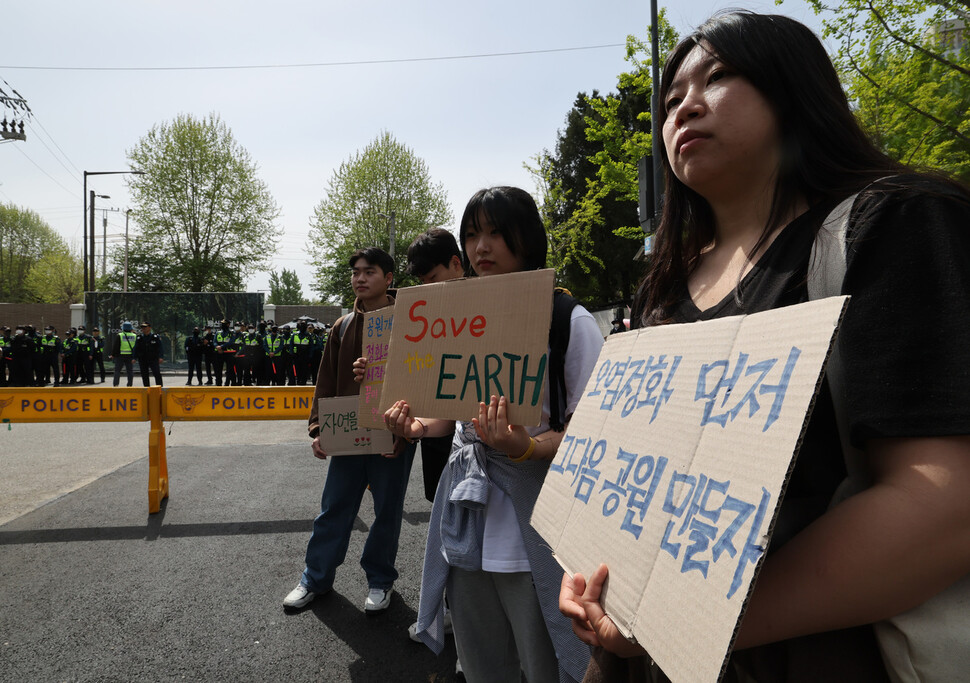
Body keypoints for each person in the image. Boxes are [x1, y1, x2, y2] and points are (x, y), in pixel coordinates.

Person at [558, 11, 970, 682]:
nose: (684, 106)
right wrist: (599, 581)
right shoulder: (659, 292)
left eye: (717, 76)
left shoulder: (892, 225)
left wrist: (679, 618)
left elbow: (945, 507)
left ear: (793, 89)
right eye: (669, 101)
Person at [384, 187, 603, 683]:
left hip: (537, 537)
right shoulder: (456, 314)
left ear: (527, 238)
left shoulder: (569, 321)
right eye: (472, 234)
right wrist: (417, 427)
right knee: (482, 667)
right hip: (466, 532)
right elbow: (453, 415)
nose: (481, 246)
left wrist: (523, 447)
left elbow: (593, 438)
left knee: (545, 665)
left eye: (496, 232)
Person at [282, 247, 416, 616]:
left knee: (387, 512)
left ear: (389, 279)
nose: (359, 278)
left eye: (369, 271)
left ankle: (379, 580)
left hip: (392, 434)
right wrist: (318, 428)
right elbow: (324, 381)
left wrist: (406, 433)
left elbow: (422, 378)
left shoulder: (410, 322)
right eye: (356, 271)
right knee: (334, 508)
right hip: (348, 434)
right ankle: (315, 578)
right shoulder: (341, 326)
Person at [135, 321, 164, 387]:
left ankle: (159, 388)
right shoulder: (139, 338)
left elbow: (160, 347)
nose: (143, 328)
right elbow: (136, 348)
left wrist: (161, 357)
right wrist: (134, 357)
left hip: (153, 358)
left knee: (156, 373)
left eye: (145, 327)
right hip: (142, 359)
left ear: (149, 328)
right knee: (144, 374)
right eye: (142, 327)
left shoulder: (155, 337)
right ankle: (146, 389)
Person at [111, 322, 137, 387]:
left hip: (120, 356)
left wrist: (113, 355)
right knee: (130, 371)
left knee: (117, 371)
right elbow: (136, 347)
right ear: (131, 328)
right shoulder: (134, 336)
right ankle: (129, 384)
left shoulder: (120, 335)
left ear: (123, 328)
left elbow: (116, 346)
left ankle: (116, 384)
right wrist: (135, 357)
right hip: (130, 356)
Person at [213, 320, 235, 386]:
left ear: (228, 324)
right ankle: (218, 383)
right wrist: (217, 347)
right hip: (219, 353)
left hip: (228, 353)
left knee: (229, 370)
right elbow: (214, 341)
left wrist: (221, 346)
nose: (223, 325)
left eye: (224, 324)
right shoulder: (218, 332)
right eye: (222, 324)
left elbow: (231, 341)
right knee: (218, 369)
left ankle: (227, 383)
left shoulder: (231, 332)